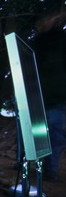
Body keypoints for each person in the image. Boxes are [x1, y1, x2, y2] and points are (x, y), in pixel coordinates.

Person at [34, 11, 66, 182]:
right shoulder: (37, 42)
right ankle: (34, 162)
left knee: (55, 132)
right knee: (37, 131)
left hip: (56, 95)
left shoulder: (61, 39)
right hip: (38, 95)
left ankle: (50, 168)